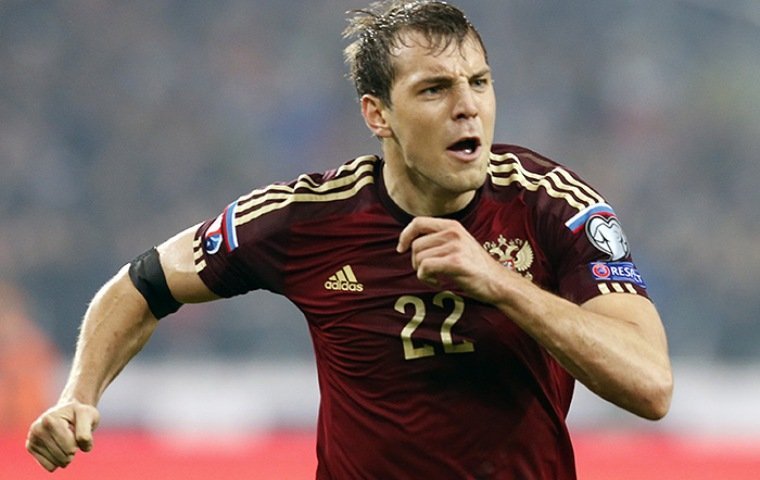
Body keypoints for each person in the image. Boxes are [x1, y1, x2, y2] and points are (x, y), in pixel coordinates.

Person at [26, 1, 673, 478]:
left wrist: (501, 284)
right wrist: (77, 395)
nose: (467, 106)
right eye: (435, 89)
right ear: (377, 114)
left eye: (479, 82)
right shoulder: (304, 218)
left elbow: (650, 386)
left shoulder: (554, 205)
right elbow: (141, 285)